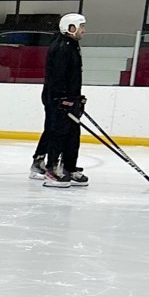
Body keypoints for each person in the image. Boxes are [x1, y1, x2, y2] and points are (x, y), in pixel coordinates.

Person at [37, 13, 88, 188]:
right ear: (71, 27)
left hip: (69, 98)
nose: (84, 30)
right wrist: (62, 98)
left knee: (73, 134)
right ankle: (52, 169)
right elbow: (56, 76)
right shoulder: (61, 47)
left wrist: (76, 98)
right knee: (58, 133)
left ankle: (69, 167)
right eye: (81, 26)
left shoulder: (72, 45)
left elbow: (71, 76)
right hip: (57, 99)